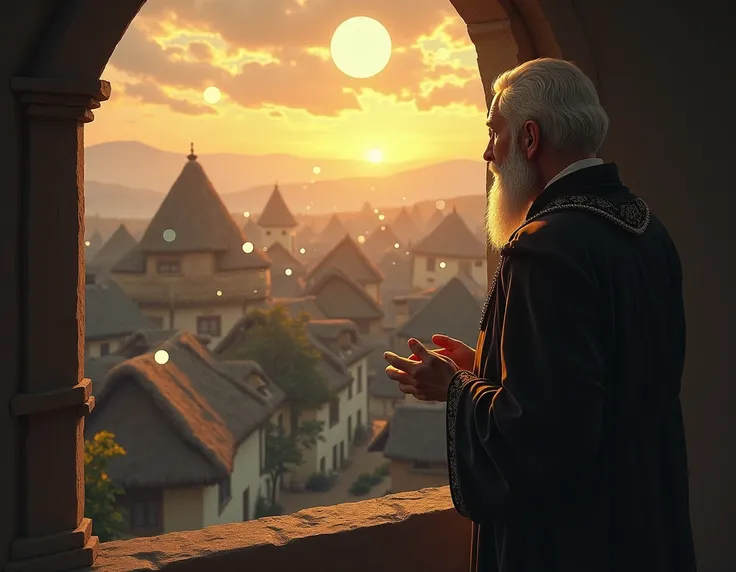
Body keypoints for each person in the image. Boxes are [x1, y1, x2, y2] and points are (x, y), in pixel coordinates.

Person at [384, 58, 696, 572]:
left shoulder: (546, 246)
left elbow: (542, 430)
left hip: (577, 536)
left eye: (494, 133)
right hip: (645, 512)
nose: (487, 152)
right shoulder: (646, 229)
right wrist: (481, 366)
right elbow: (599, 381)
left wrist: (454, 388)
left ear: (530, 138)